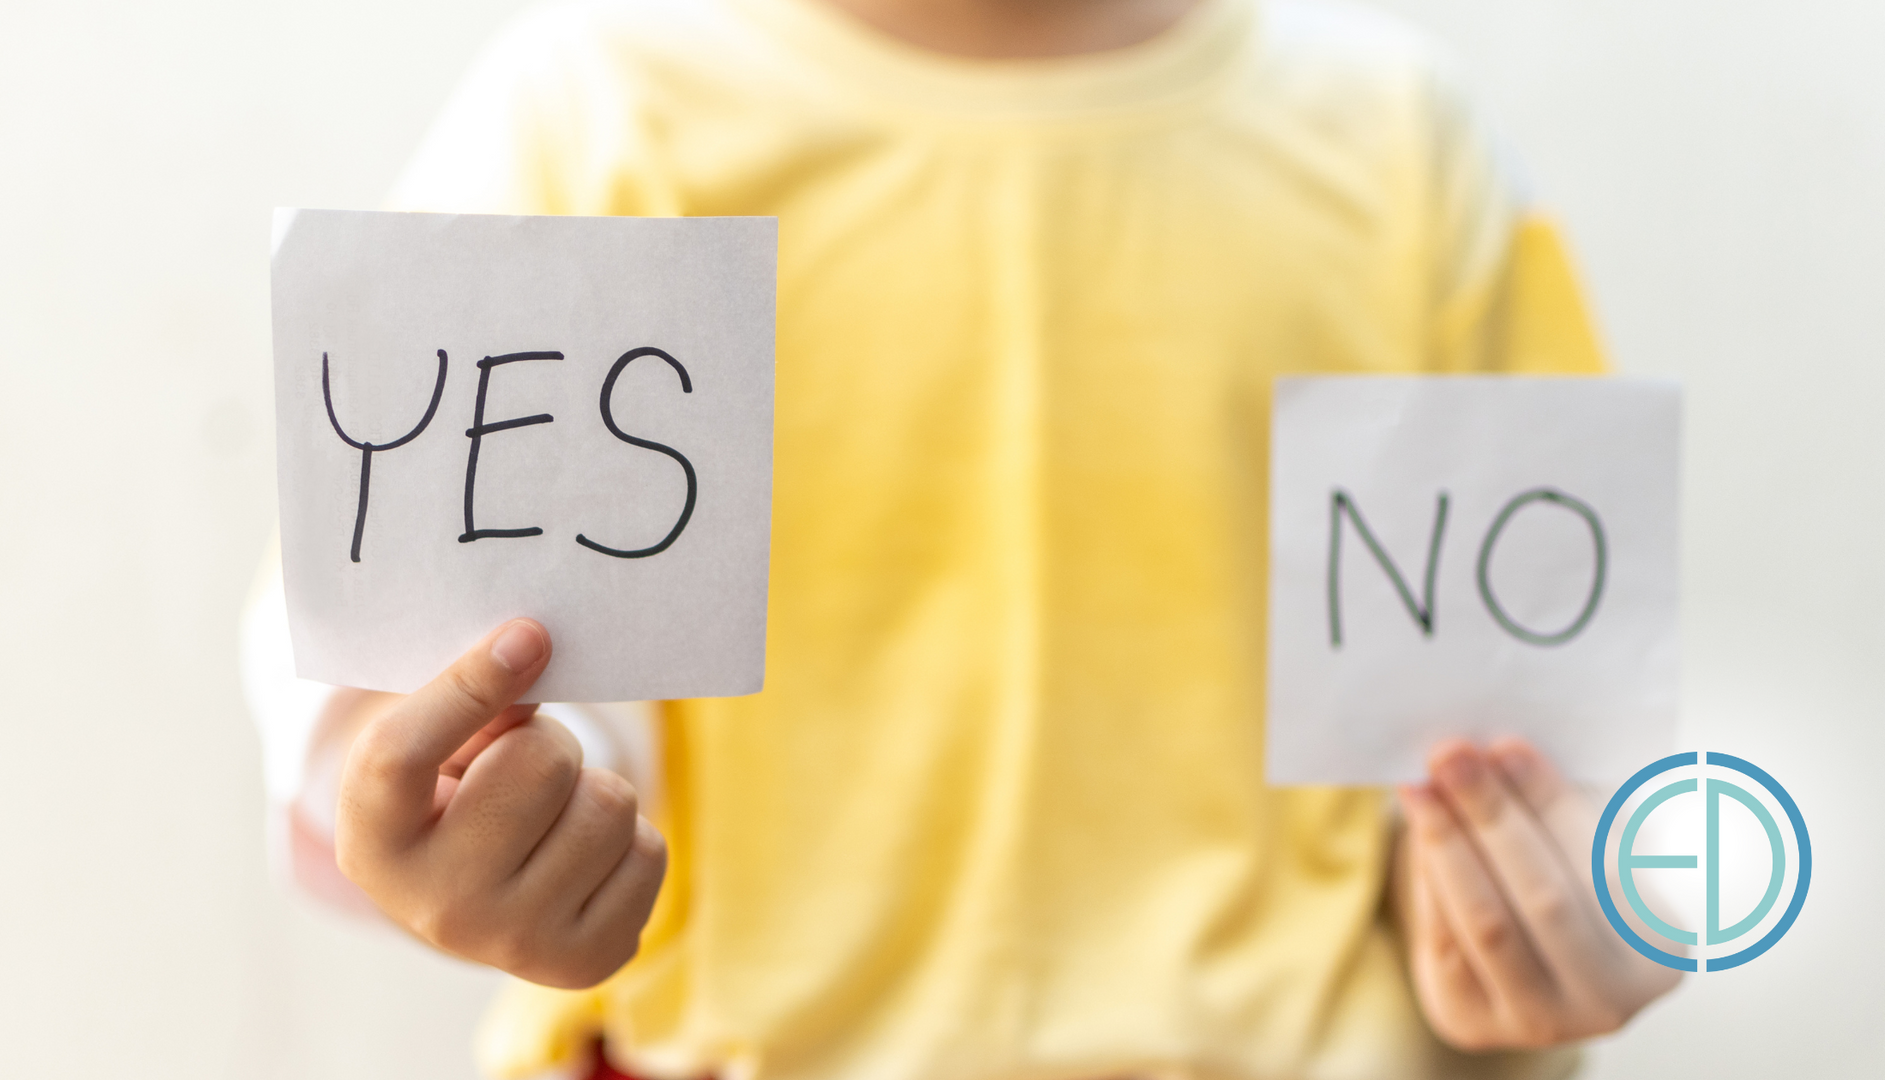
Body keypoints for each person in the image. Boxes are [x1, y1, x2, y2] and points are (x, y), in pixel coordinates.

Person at [243, 0, 1681, 1076]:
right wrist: (444, 815)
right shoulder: (591, 108)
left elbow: (1548, 744)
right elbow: (394, 693)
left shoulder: (1401, 140)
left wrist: (1557, 905)